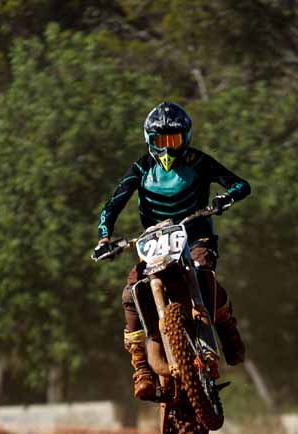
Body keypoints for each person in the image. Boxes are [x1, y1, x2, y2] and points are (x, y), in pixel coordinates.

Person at [95, 101, 251, 400]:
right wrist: (105, 238)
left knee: (204, 273)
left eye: (173, 140)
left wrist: (223, 198)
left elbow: (241, 185)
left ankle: (225, 328)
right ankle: (141, 366)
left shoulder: (199, 162)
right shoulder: (141, 167)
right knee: (130, 292)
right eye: (160, 141)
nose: (167, 149)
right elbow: (112, 205)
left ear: (186, 138)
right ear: (149, 140)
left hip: (195, 234)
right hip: (155, 239)